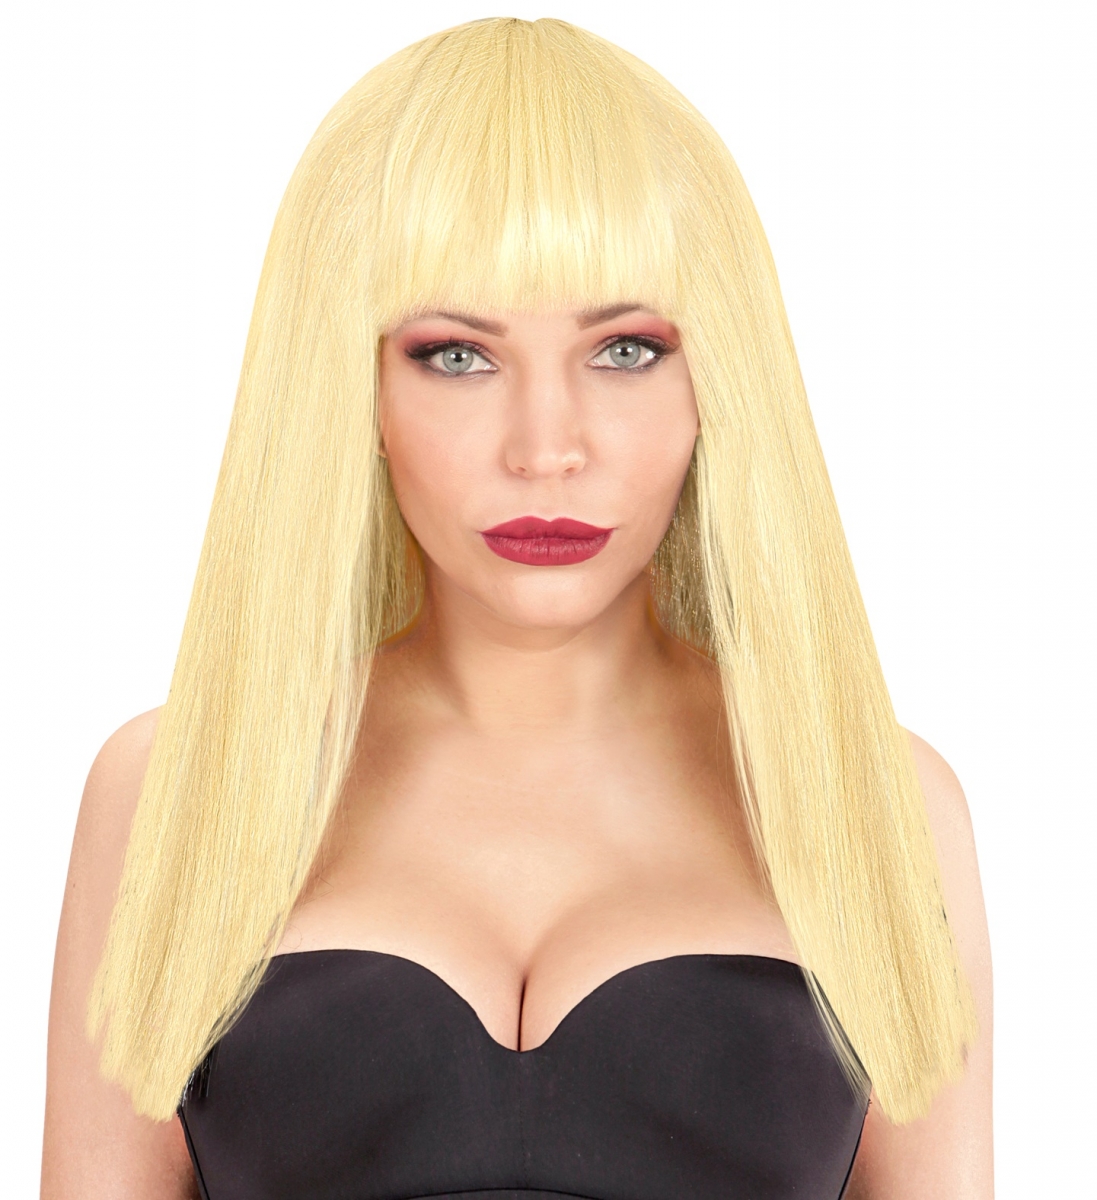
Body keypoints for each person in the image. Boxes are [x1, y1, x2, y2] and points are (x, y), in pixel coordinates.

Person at [41, 17, 992, 1200]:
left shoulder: (880, 800)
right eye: (457, 356)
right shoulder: (172, 790)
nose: (547, 448)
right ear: (351, 387)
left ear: (719, 380)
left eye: (624, 351)